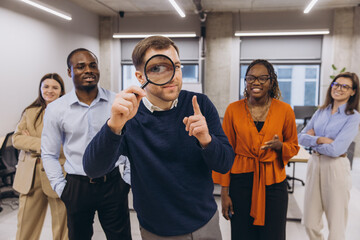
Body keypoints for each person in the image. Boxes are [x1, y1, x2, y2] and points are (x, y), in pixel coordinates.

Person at [83, 36, 235, 239]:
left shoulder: (200, 104)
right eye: (157, 69)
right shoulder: (129, 115)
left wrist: (206, 140)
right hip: (156, 231)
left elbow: (225, 164)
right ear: (140, 76)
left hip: (204, 224)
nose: (172, 76)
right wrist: (114, 125)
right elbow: (93, 168)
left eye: (177, 66)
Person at [41, 48, 131, 240]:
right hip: (77, 186)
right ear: (69, 72)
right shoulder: (57, 109)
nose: (88, 70)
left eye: (93, 65)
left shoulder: (117, 102)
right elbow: (49, 154)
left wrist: (127, 181)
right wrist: (61, 188)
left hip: (113, 184)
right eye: (80, 66)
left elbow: (131, 145)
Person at [213, 59, 300, 240]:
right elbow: (225, 152)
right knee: (242, 234)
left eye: (262, 78)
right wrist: (224, 192)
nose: (256, 82)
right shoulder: (233, 109)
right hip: (240, 183)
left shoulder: (285, 110)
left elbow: (293, 146)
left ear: (271, 81)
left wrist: (280, 147)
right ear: (245, 81)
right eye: (251, 78)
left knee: (273, 235)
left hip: (273, 183)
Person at [298, 72, 360, 240]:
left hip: (335, 168)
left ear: (353, 92)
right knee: (310, 223)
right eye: (336, 84)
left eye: (345, 86)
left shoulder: (353, 117)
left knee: (336, 224)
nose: (339, 89)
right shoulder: (321, 112)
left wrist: (313, 140)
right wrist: (321, 139)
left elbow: (336, 149)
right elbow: (300, 137)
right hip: (314, 164)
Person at [12, 73, 68, 240]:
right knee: (25, 227)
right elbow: (16, 139)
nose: (49, 90)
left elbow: (66, 146)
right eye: (46, 86)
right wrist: (46, 144)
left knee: (62, 229)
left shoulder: (67, 112)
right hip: (30, 176)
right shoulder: (30, 112)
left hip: (58, 175)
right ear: (40, 89)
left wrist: (31, 142)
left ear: (61, 91)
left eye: (54, 87)